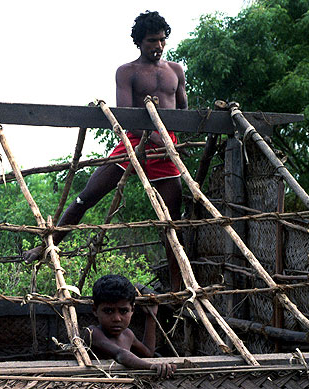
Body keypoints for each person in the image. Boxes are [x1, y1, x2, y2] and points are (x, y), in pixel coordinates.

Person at [23, 10, 186, 292]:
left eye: (161, 40)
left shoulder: (176, 71)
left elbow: (183, 112)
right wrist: (154, 138)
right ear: (139, 42)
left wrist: (167, 142)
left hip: (165, 148)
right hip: (133, 142)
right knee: (85, 197)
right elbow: (124, 116)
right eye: (151, 41)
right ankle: (47, 247)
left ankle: (178, 287)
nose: (157, 46)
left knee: (171, 222)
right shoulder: (127, 72)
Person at [83, 274, 175, 378]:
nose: (117, 318)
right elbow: (120, 355)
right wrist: (151, 366)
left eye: (123, 311)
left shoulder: (127, 334)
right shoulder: (92, 333)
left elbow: (148, 353)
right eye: (108, 311)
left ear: (132, 310)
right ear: (95, 310)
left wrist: (151, 316)